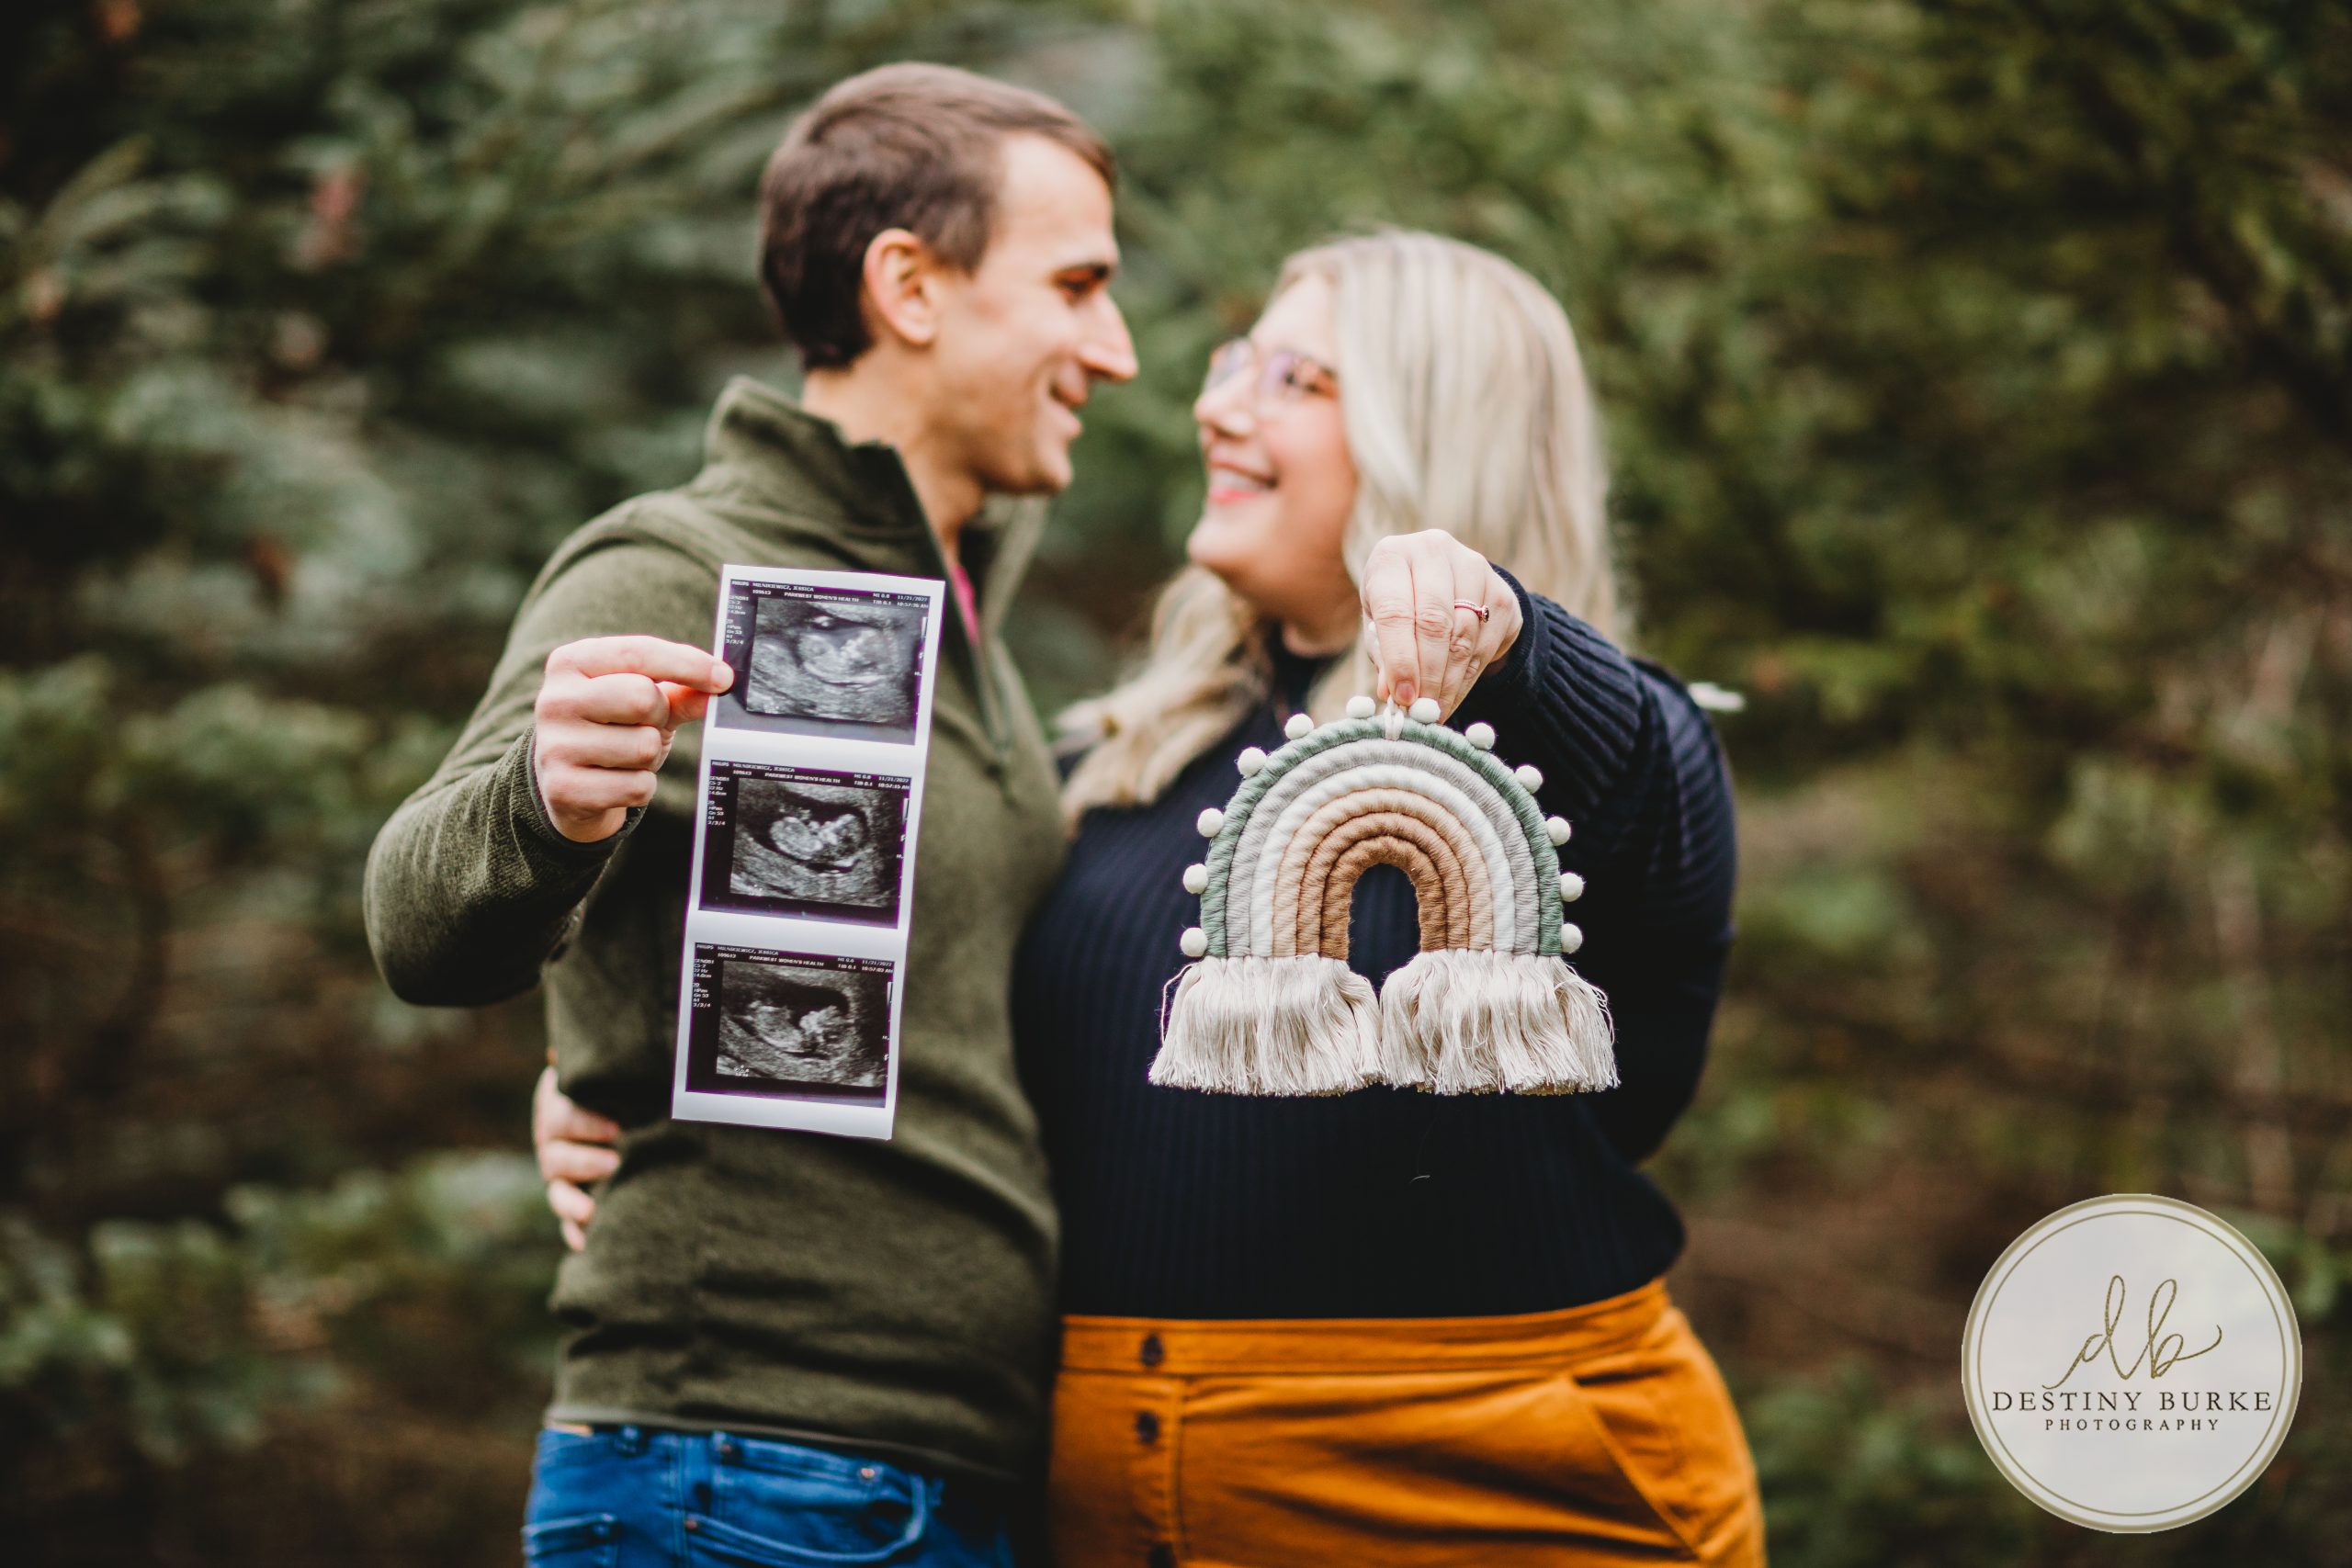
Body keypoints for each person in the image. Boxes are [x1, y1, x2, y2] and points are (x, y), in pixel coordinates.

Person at [545, 231, 1761, 1564]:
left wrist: (1505, 631)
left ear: (1437, 436)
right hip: (1109, 1493)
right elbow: (923, 1010)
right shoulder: (1108, 765)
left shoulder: (1592, 754)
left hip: (1492, 1487)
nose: (1214, 401)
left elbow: (1649, 772)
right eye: (1236, 361)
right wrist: (615, 1069)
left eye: (1296, 378)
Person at [365, 62, 1136, 1567]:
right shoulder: (675, 567)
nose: (1112, 348)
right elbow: (415, 920)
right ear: (910, 285)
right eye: (1078, 284)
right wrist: (542, 803)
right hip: (744, 1477)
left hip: (942, 1478)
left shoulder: (948, 593)